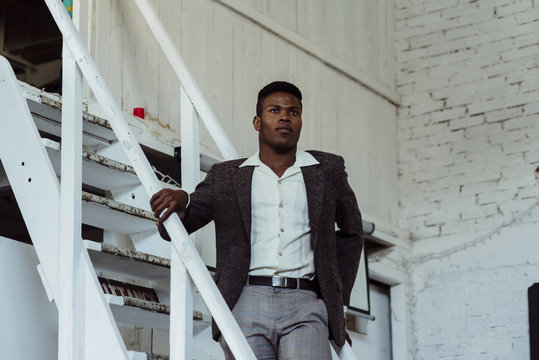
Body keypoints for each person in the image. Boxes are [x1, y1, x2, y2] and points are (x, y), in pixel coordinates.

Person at [150, 81, 364, 359]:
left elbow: (353, 232)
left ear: (300, 121)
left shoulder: (327, 171)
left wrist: (337, 303)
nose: (285, 116)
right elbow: (182, 224)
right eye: (275, 110)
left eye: (294, 112)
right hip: (245, 301)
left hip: (306, 303)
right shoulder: (225, 176)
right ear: (257, 121)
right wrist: (180, 200)